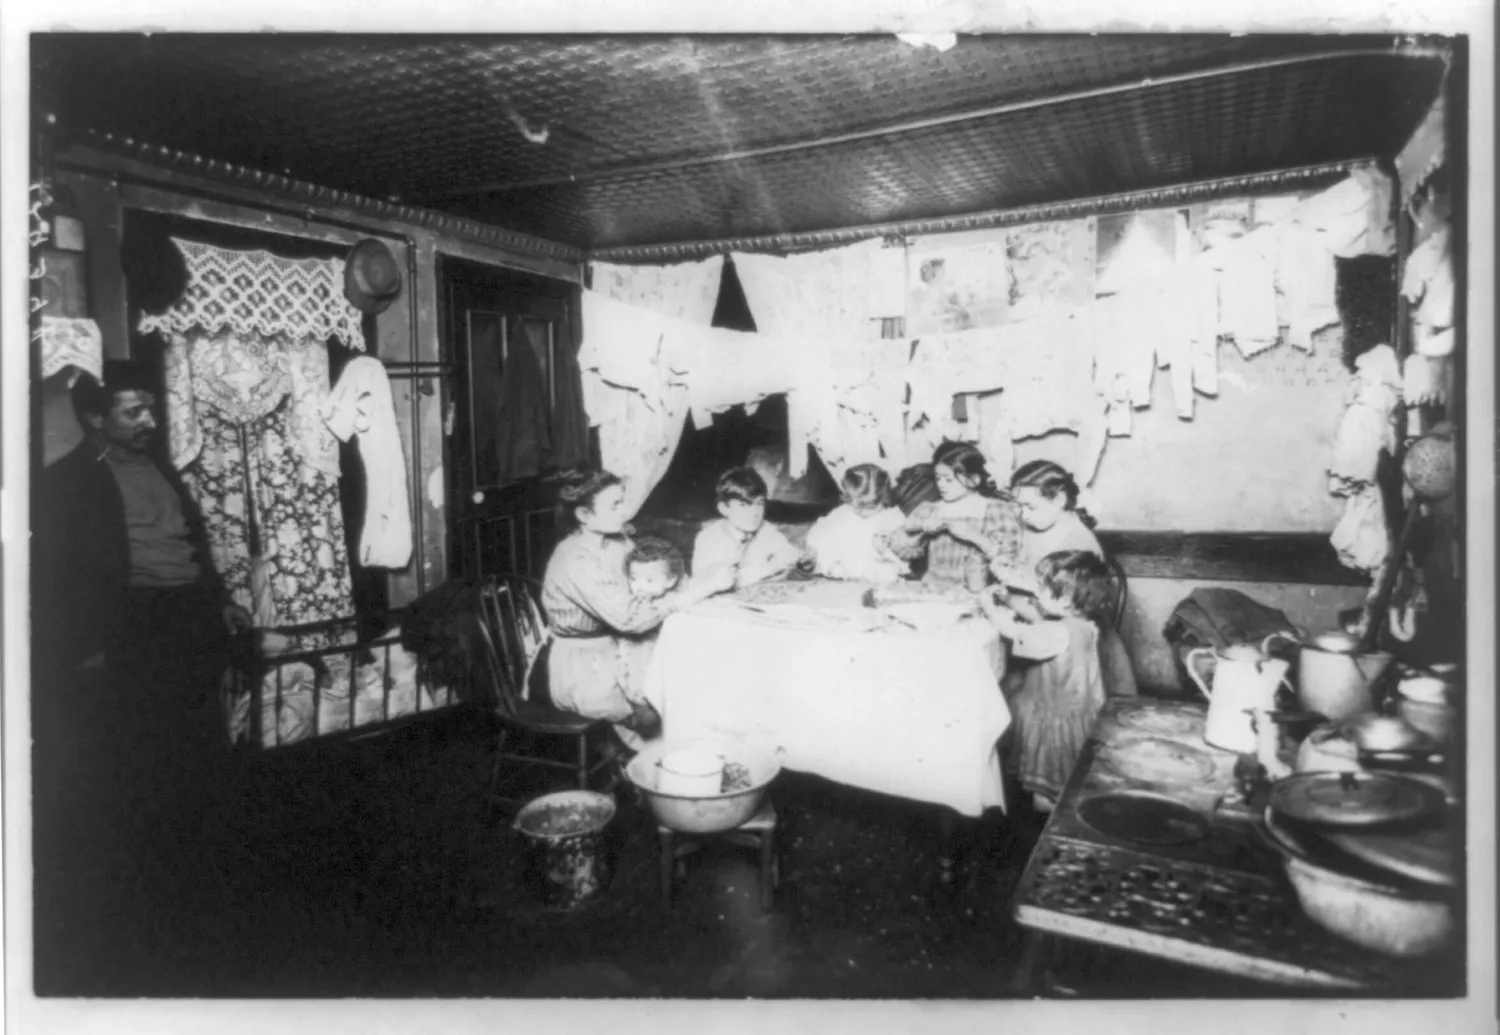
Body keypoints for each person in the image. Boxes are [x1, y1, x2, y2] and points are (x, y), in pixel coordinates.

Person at [33, 362, 252, 810]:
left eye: (150, 410)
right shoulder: (65, 483)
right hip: (134, 625)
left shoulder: (161, 469)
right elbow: (57, 578)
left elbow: (192, 544)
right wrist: (84, 645)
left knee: (200, 746)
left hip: (189, 619)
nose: (149, 422)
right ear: (96, 418)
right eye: (133, 412)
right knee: (144, 758)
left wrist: (219, 600)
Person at [542, 469, 735, 750]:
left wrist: (697, 584)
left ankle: (663, 767)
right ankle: (646, 773)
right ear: (584, 515)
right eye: (615, 505)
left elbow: (656, 576)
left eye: (623, 501)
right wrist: (700, 591)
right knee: (659, 715)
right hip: (585, 668)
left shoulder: (618, 541)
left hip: (620, 652)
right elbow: (630, 618)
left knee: (692, 685)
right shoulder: (575, 559)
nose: (625, 512)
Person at [979, 550, 1115, 813]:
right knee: (1070, 779)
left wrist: (989, 606)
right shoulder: (1085, 622)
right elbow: (1042, 606)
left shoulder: (1056, 632)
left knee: (1046, 795)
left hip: (1054, 718)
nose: (1037, 593)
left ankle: (1049, 825)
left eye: (1041, 588)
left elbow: (1013, 632)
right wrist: (1010, 590)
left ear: (1064, 600)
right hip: (1080, 711)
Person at [884, 441, 1022, 590]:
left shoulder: (995, 509)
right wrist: (921, 530)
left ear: (974, 479)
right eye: (938, 478)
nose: (941, 485)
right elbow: (903, 551)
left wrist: (973, 535)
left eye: (948, 479)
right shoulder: (931, 509)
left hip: (980, 593)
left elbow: (1010, 560)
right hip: (935, 591)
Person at [614, 536, 687, 739]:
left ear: (671, 580)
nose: (639, 587)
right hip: (635, 672)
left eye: (649, 580)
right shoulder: (634, 605)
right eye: (633, 578)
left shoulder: (673, 601)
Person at [692, 466, 805, 590]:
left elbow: (787, 557)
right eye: (744, 505)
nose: (754, 512)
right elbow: (712, 585)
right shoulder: (709, 538)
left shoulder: (766, 529)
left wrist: (802, 565)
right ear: (724, 508)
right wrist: (770, 567)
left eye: (759, 503)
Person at [804, 463, 908, 584]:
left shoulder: (892, 518)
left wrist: (886, 550)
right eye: (853, 504)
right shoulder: (843, 512)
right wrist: (814, 552)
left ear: (883, 498)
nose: (859, 511)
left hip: (875, 577)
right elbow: (819, 535)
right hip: (838, 576)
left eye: (867, 506)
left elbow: (904, 557)